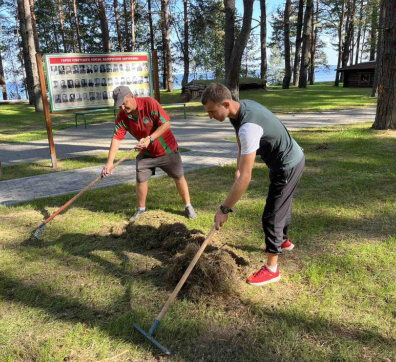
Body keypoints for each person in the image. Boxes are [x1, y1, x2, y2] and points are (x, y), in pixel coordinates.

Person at [201, 84, 305, 287]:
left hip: (288, 165)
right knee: (282, 202)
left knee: (272, 215)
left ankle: (272, 269)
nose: (210, 116)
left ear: (226, 104)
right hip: (290, 158)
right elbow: (242, 145)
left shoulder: (249, 126)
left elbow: (246, 179)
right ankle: (283, 241)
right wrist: (239, 166)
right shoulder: (240, 111)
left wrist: (224, 209)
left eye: (212, 111)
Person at [102, 86, 197, 222]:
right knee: (141, 179)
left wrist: (150, 138)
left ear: (132, 96)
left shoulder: (149, 103)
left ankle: (188, 206)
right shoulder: (123, 116)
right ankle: (141, 210)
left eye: (124, 103)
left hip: (167, 149)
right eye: (119, 105)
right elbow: (117, 137)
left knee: (179, 177)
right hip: (146, 153)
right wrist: (110, 163)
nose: (122, 108)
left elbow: (166, 124)